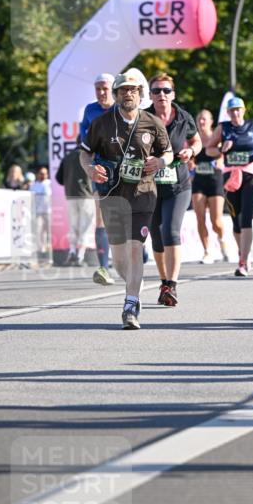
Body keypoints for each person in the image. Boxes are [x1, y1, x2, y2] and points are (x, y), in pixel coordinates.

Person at [80, 69, 172, 329]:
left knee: (135, 248)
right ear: (116, 94)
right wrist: (90, 169)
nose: (128, 94)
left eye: (132, 90)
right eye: (123, 90)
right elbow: (85, 154)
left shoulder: (152, 122)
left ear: (140, 94)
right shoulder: (101, 124)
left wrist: (161, 160)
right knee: (120, 259)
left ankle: (130, 304)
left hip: (143, 194)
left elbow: (168, 151)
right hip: (112, 195)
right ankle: (134, 284)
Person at [146, 73, 201, 306]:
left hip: (179, 184)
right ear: (150, 95)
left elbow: (196, 141)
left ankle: (172, 285)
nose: (162, 95)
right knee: (157, 236)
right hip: (150, 186)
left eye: (166, 91)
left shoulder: (184, 117)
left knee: (171, 230)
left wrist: (192, 152)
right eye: (157, 91)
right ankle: (163, 281)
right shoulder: (143, 118)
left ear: (173, 94)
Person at [208, 96, 253, 277]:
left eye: (238, 109)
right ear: (228, 112)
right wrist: (222, 148)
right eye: (232, 110)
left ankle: (243, 261)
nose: (235, 113)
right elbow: (209, 149)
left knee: (247, 217)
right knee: (236, 220)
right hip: (230, 177)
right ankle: (242, 254)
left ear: (244, 110)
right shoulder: (223, 128)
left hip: (251, 175)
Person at [80, 74, 115, 285]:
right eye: (98, 89)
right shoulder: (90, 110)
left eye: (105, 88)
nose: (102, 93)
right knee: (101, 216)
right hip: (101, 168)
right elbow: (85, 141)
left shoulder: (121, 109)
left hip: (124, 169)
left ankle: (140, 252)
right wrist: (91, 165)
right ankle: (104, 268)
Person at [191, 109, 230, 263]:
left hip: (215, 180)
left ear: (211, 121)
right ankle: (207, 251)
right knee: (200, 217)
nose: (201, 122)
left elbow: (224, 158)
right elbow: (189, 157)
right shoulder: (194, 139)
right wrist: (190, 164)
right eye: (199, 119)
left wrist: (219, 162)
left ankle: (222, 240)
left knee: (216, 221)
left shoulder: (217, 138)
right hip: (199, 181)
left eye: (204, 119)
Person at [55, 141, 96, 266]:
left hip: (70, 195)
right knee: (86, 226)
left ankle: (72, 251)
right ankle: (80, 255)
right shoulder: (89, 156)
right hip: (86, 195)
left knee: (73, 225)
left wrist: (69, 182)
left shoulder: (67, 157)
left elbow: (58, 178)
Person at [29, 166, 52, 263]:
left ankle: (50, 253)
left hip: (49, 211)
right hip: (37, 212)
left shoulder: (50, 184)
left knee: (49, 232)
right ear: (38, 174)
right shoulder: (34, 185)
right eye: (41, 173)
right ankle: (40, 252)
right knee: (39, 231)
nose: (43, 175)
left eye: (45, 173)